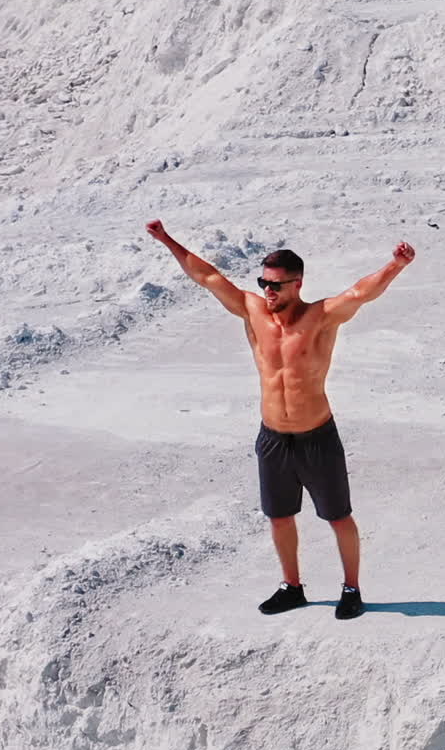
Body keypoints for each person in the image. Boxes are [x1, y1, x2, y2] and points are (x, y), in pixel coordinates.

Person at [145, 220, 415, 618]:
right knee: (279, 517)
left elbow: (361, 293)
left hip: (317, 436)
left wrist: (395, 265)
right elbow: (206, 275)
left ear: (297, 284)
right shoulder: (252, 312)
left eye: (276, 285)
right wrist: (167, 239)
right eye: (263, 283)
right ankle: (292, 586)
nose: (267, 291)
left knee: (338, 517)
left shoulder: (320, 317)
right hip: (273, 438)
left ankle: (351, 588)